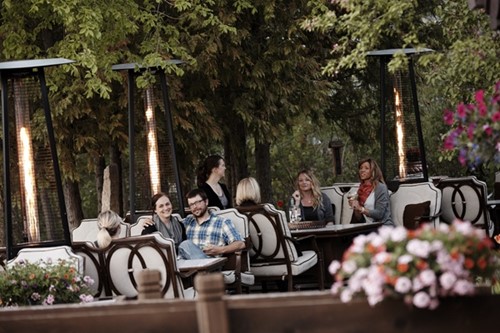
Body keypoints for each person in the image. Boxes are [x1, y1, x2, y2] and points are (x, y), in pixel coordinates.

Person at [178, 189, 245, 259]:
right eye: (191, 205)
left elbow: (240, 244)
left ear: (206, 202)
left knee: (185, 244)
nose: (194, 207)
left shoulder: (221, 222)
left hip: (209, 264)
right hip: (187, 265)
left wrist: (220, 250)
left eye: (197, 202)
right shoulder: (187, 222)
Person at [348, 158, 394, 226]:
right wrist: (356, 208)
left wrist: (361, 209)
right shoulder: (360, 190)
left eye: (366, 168)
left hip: (383, 227)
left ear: (373, 171)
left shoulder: (380, 188)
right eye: (361, 168)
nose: (362, 170)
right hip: (367, 227)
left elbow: (379, 214)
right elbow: (359, 219)